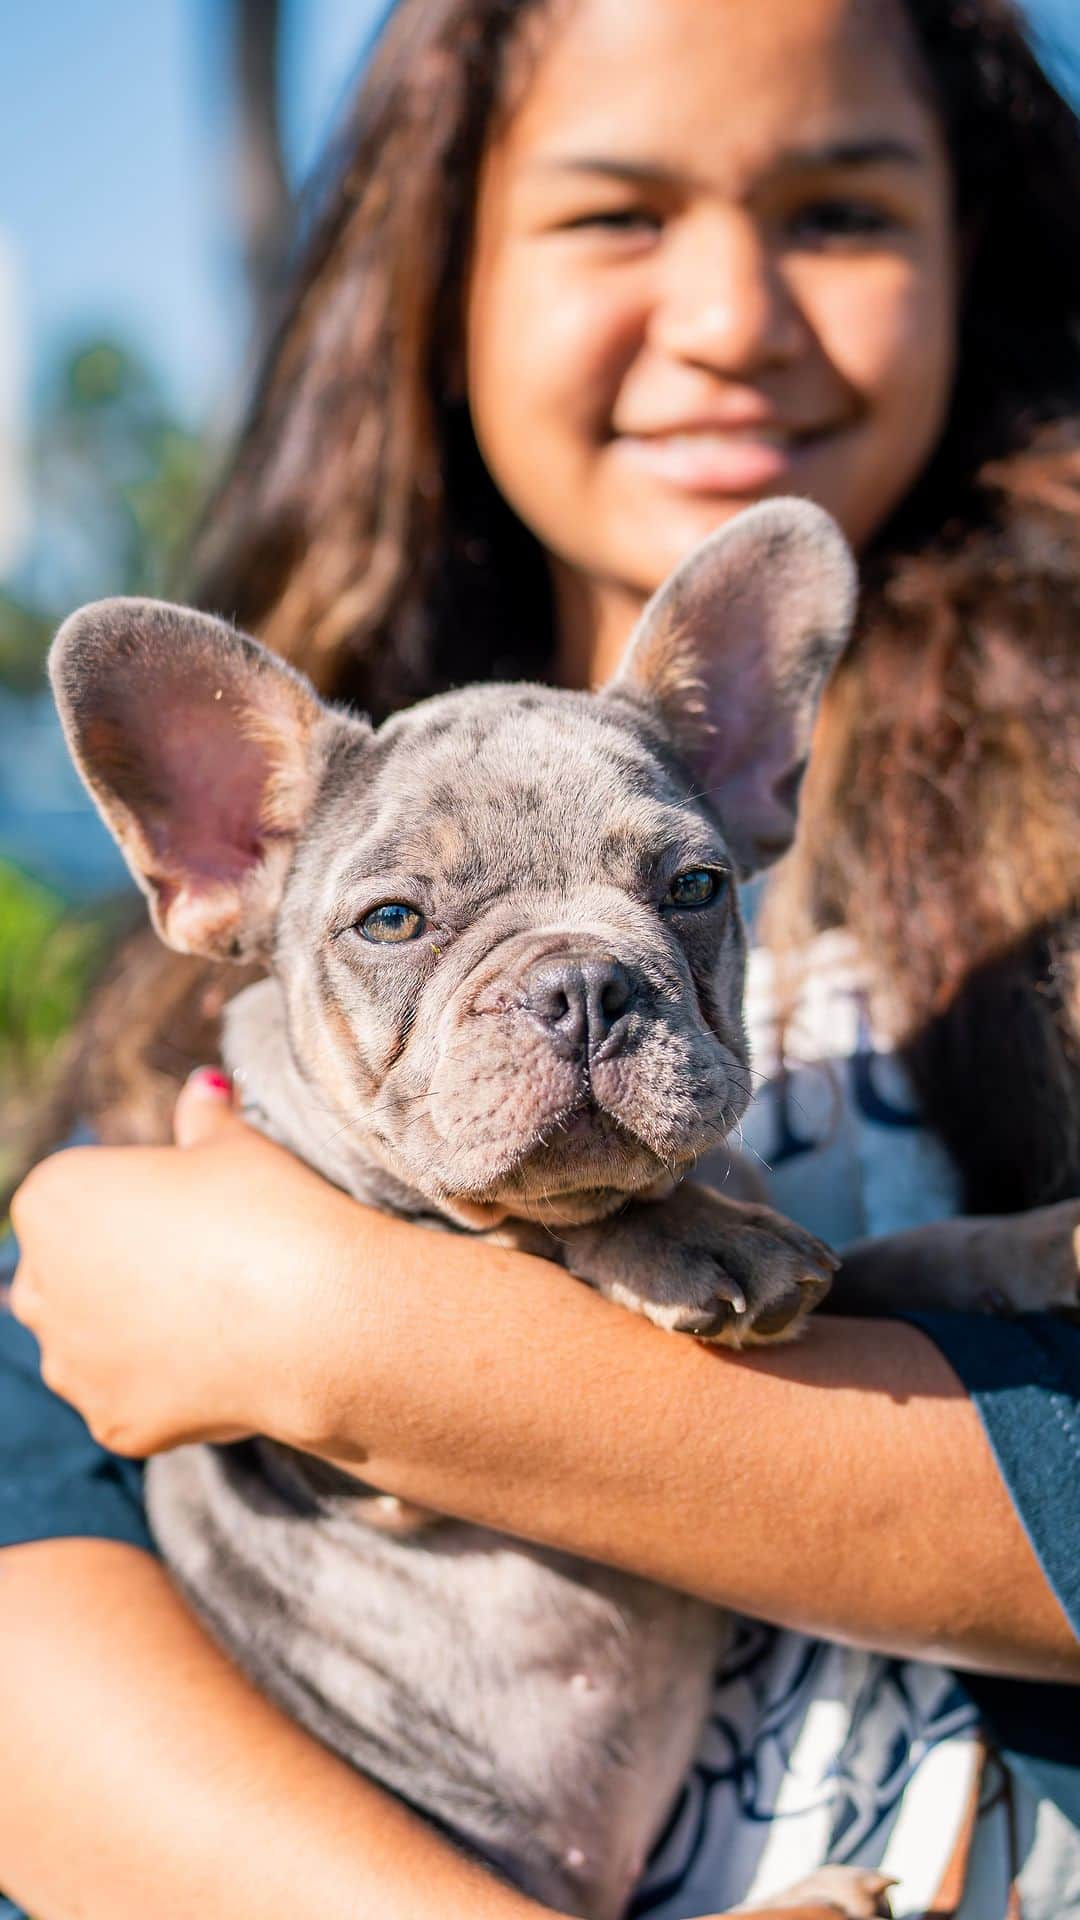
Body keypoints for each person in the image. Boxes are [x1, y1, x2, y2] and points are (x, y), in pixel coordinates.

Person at [2, 0, 1079, 1915]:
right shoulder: (197, 1073)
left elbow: (362, 1340)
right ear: (215, 855)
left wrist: (333, 1333)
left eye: (840, 208)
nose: (732, 313)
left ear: (755, 771)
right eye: (613, 213)